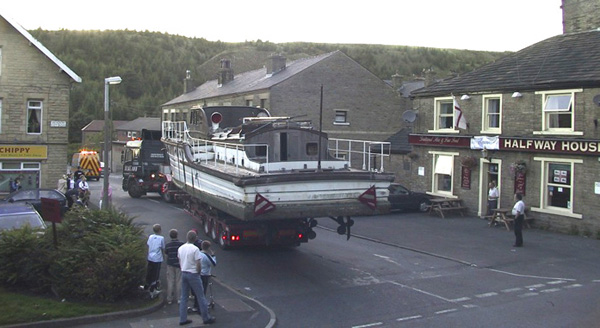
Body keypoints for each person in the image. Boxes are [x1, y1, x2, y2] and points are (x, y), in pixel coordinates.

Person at [178, 230, 216, 325]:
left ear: (187, 237)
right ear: (195, 239)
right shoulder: (195, 249)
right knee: (201, 296)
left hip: (184, 272)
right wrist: (198, 273)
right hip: (193, 274)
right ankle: (206, 318)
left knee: (184, 297)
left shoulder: (181, 248)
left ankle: (182, 319)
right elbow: (198, 264)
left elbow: (180, 261)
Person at [145, 224, 165, 298]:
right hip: (157, 258)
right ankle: (153, 290)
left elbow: (148, 244)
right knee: (155, 275)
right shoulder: (161, 238)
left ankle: (147, 285)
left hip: (150, 257)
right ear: (160, 230)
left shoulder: (150, 237)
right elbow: (162, 247)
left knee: (149, 272)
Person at [165, 229, 184, 305]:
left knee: (170, 281)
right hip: (179, 264)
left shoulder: (168, 245)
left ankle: (169, 298)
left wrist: (168, 263)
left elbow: (166, 255)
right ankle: (179, 298)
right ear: (177, 235)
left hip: (170, 264)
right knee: (179, 281)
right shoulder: (181, 244)